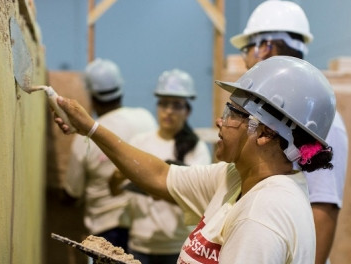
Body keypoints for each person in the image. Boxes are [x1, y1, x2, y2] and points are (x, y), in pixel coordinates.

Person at [54, 56, 336, 263]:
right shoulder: (235, 178)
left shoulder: (261, 218)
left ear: (264, 133)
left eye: (232, 114)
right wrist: (90, 128)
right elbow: (160, 176)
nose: (219, 121)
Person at [230, 1, 349, 263]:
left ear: (266, 47)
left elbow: (323, 208)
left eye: (247, 48)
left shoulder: (314, 117)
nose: (246, 58)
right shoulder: (279, 110)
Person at [115, 69, 211, 263]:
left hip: (177, 245)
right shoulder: (139, 142)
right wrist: (117, 176)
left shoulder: (196, 149)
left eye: (177, 105)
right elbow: (114, 190)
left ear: (187, 111)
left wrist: (159, 189)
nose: (169, 111)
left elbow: (198, 198)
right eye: (164, 104)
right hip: (140, 241)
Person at [62, 58, 157, 251]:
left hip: (106, 231)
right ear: (120, 87)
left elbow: (72, 193)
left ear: (91, 95)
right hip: (145, 225)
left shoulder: (84, 137)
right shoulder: (145, 118)